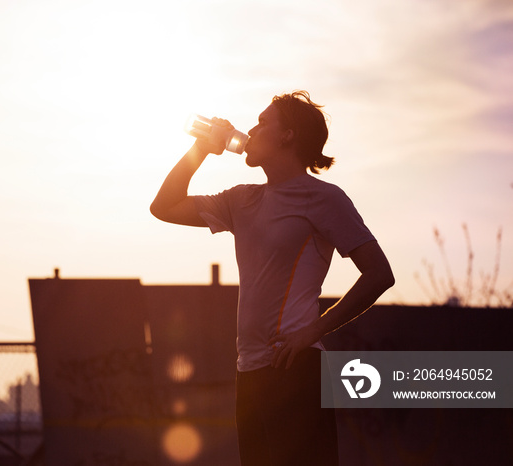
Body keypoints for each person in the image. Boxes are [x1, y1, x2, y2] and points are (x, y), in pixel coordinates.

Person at [150, 91, 395, 465]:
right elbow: (163, 206)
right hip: (248, 373)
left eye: (263, 122)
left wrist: (314, 330)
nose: (251, 129)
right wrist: (201, 149)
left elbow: (379, 274)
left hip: (295, 371)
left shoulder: (324, 198)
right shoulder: (241, 200)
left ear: (288, 135)